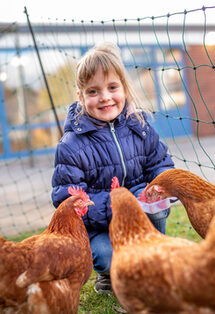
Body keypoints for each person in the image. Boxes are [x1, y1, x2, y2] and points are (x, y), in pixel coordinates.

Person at [51, 43, 175, 294]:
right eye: (93, 91)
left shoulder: (140, 125)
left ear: (124, 89)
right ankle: (108, 274)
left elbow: (159, 163)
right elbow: (68, 200)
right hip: (100, 226)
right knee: (109, 257)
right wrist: (120, 205)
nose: (105, 97)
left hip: (143, 213)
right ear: (81, 97)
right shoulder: (72, 145)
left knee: (158, 211)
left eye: (112, 87)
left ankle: (155, 257)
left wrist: (160, 186)